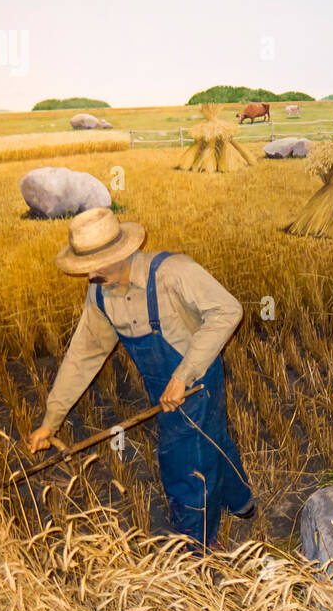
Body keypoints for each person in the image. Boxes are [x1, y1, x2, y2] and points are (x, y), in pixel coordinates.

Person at [28, 207, 254, 550]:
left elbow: (228, 310)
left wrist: (183, 375)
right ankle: (241, 502)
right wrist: (51, 420)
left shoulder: (174, 273)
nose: (89, 275)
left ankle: (195, 549)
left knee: (183, 461)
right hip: (163, 386)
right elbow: (82, 356)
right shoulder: (101, 294)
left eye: (95, 265)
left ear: (120, 254)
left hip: (197, 378)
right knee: (212, 438)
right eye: (84, 267)